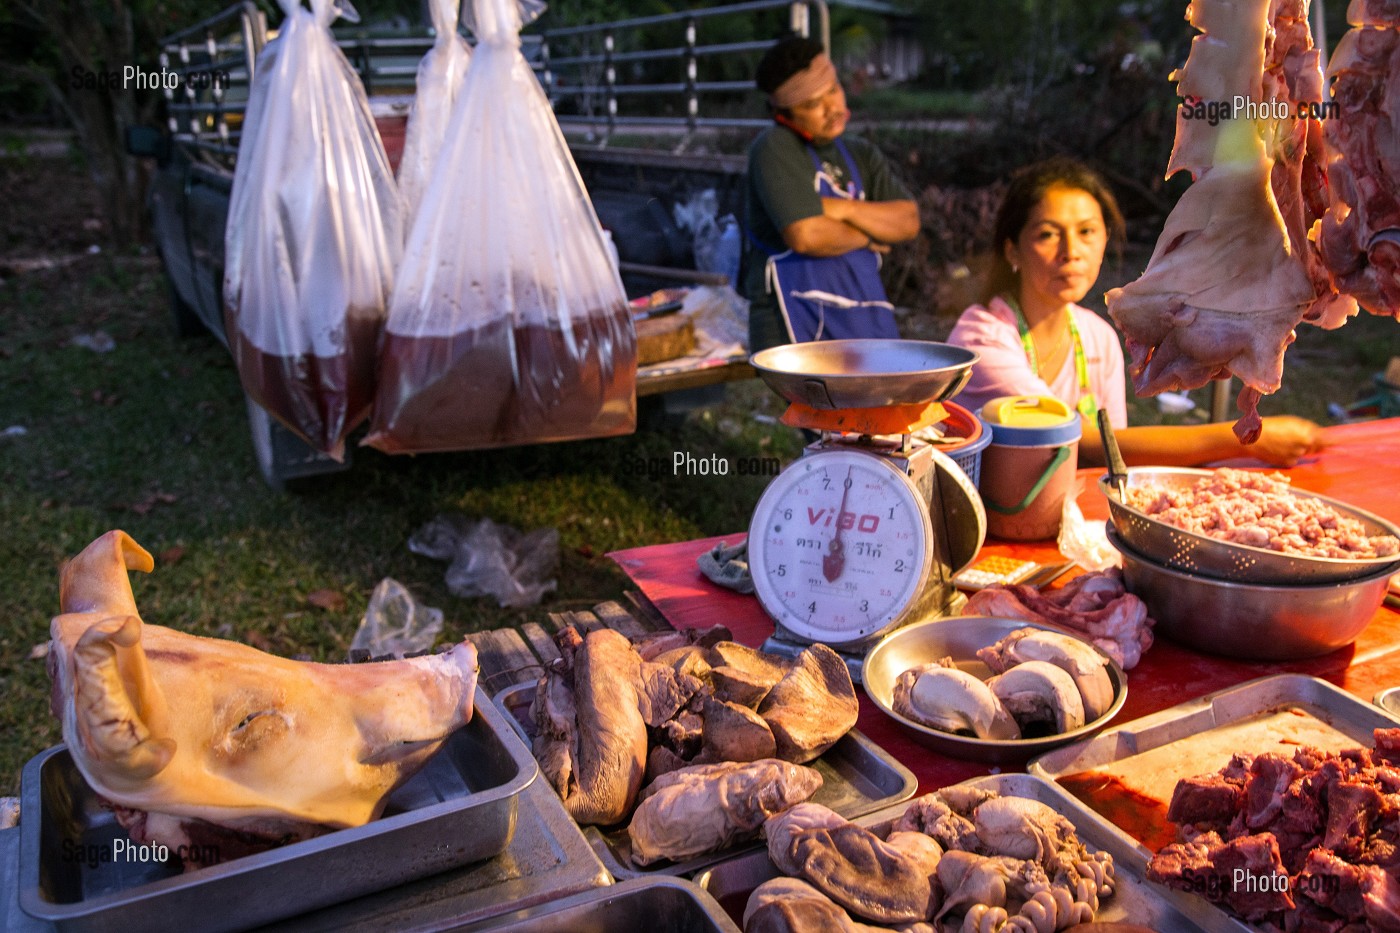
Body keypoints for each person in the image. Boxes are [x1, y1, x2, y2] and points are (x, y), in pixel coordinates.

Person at [947, 157, 1325, 468]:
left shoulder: (1097, 335)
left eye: (1086, 232)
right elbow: (1082, 444)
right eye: (1047, 234)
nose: (1071, 250)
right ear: (1012, 251)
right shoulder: (981, 339)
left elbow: (1115, 455)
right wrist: (1242, 441)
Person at [743, 35, 920, 353]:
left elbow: (907, 221)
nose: (833, 108)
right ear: (785, 113)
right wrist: (867, 237)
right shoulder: (775, 147)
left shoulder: (859, 152)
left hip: (864, 317)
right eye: (813, 104)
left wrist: (843, 210)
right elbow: (806, 235)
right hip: (796, 327)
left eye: (834, 90)